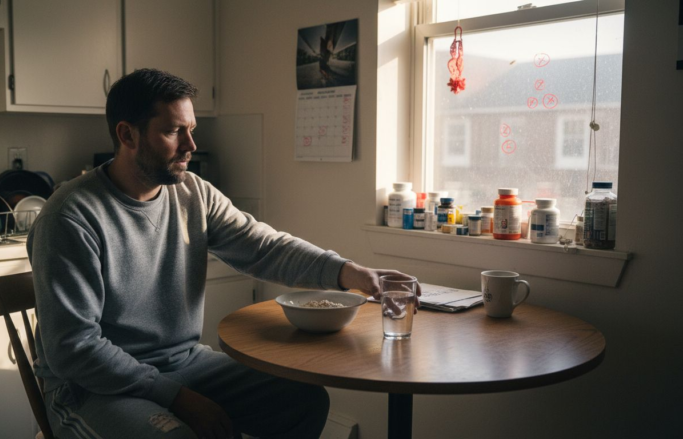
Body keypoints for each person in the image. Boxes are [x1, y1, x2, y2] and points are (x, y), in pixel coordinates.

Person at [27, 68, 420, 439]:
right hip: (93, 387)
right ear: (127, 135)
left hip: (184, 363)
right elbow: (74, 348)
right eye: (173, 131)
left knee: (303, 401)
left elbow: (264, 246)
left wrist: (349, 273)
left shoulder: (193, 193)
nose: (191, 146)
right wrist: (175, 397)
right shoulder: (70, 217)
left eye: (192, 129)